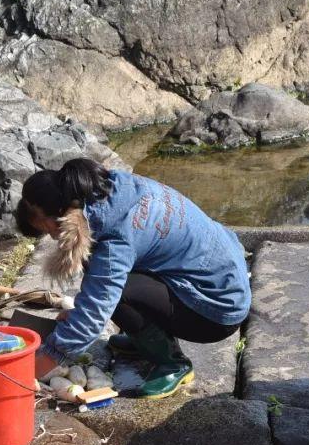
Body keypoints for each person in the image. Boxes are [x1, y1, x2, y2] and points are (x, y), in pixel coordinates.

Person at [16, 158, 251, 399]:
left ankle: (172, 364)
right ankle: (147, 340)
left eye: (47, 230)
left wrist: (44, 360)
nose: (53, 238)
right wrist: (78, 313)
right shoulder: (114, 188)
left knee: (117, 293)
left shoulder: (114, 237)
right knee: (110, 283)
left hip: (216, 309)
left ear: (59, 215)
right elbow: (101, 279)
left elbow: (98, 307)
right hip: (225, 276)